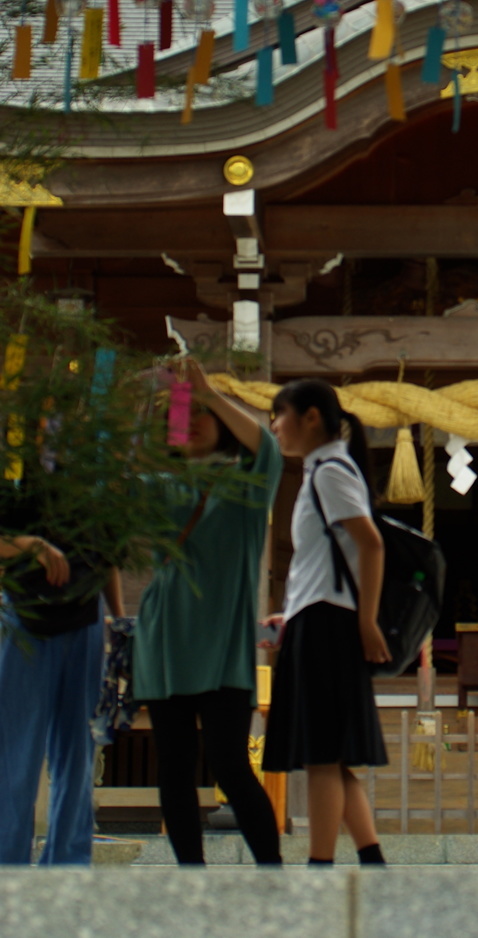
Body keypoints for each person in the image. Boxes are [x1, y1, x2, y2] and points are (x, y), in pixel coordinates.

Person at [132, 357, 283, 866]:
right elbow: (129, 467)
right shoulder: (160, 486)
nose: (195, 422)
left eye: (206, 417)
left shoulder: (245, 487)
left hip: (221, 647)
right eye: (187, 415)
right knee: (173, 769)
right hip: (165, 640)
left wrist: (207, 393)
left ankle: (272, 874)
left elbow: (269, 448)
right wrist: (175, 397)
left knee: (230, 765)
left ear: (222, 425)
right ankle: (190, 878)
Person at [261, 378, 389, 867]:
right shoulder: (324, 470)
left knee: (320, 755)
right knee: (331, 756)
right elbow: (325, 564)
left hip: (330, 627)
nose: (274, 424)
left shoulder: (330, 472)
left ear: (311, 416)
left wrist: (367, 621)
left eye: (280, 414)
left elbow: (370, 544)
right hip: (317, 619)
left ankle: (319, 867)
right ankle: (370, 858)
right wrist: (292, 613)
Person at [0, 505, 124, 865]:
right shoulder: (15, 458)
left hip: (85, 615)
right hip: (24, 616)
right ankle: (8, 869)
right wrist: (31, 545)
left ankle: (68, 864)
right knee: (15, 753)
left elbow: (107, 553)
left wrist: (117, 617)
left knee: (78, 754)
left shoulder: (96, 471)